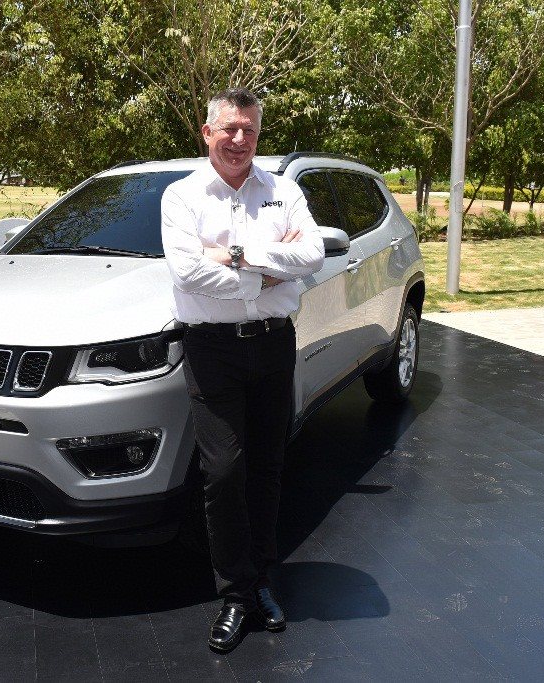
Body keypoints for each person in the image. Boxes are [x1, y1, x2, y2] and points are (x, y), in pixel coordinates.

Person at [160, 87, 325, 651]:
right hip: (212, 350)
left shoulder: (283, 190)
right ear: (207, 133)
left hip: (275, 345)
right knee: (225, 471)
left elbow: (312, 257)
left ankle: (259, 584)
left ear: (258, 134)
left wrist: (233, 255)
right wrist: (270, 267)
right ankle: (234, 595)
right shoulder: (182, 198)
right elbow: (187, 273)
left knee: (269, 468)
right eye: (228, 128)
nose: (239, 139)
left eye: (249, 129)